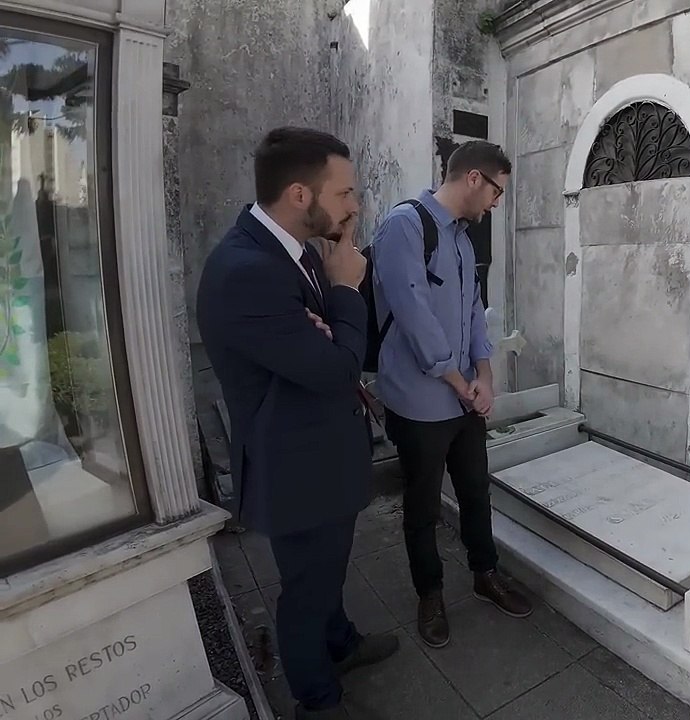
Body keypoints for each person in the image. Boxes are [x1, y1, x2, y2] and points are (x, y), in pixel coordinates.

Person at [196, 127, 398, 719]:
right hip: (296, 467)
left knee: (329, 571)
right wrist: (345, 293)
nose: (356, 207)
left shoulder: (296, 249)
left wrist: (331, 323)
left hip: (321, 456)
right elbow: (337, 368)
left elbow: (324, 354)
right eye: (346, 194)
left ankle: (341, 644)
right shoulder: (246, 270)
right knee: (306, 590)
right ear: (300, 195)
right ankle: (318, 697)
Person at [371, 140, 532, 649]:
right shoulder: (405, 226)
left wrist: (485, 374)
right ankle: (430, 593)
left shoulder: (462, 240)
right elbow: (415, 316)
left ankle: (485, 574)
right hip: (421, 401)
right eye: (497, 191)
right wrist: (460, 383)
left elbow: (472, 313)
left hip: (464, 398)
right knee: (421, 504)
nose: (497, 203)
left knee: (475, 490)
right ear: (474, 179)